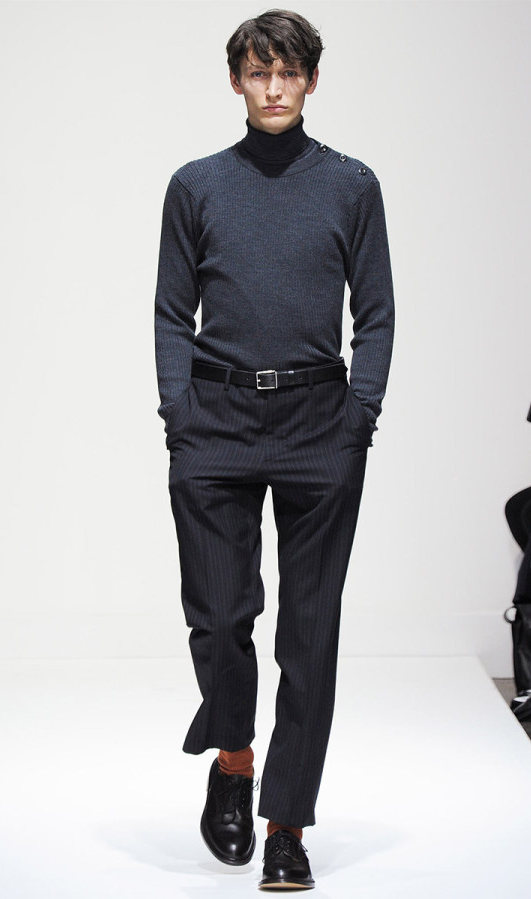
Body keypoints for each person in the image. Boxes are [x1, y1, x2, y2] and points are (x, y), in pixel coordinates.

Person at [154, 9, 394, 890]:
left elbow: (376, 310)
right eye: (259, 72)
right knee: (221, 617)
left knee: (310, 633)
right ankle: (234, 757)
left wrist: (358, 414)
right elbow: (170, 310)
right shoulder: (196, 185)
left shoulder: (352, 185)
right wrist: (180, 411)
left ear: (312, 80)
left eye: (289, 72)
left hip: (319, 423)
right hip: (215, 418)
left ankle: (287, 823)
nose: (275, 87)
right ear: (236, 81)